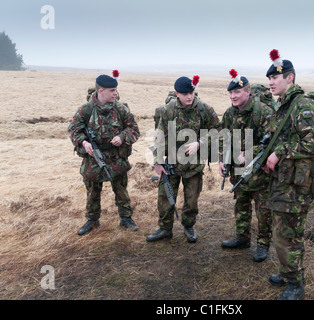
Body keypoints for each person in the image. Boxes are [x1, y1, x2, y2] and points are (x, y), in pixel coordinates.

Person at [263, 50, 314, 299]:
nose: (271, 82)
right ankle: (288, 272)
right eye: (269, 78)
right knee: (280, 230)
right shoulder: (283, 107)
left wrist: (280, 153)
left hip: (296, 187)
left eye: (276, 78)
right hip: (283, 181)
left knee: (288, 234)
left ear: (290, 79)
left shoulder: (303, 106)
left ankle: (295, 284)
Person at [146, 76, 220, 243]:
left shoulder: (204, 109)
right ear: (177, 93)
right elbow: (160, 137)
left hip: (194, 165)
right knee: (165, 197)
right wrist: (158, 162)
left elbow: (217, 130)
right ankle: (165, 228)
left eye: (192, 93)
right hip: (171, 163)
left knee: (192, 199)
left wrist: (200, 143)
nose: (189, 97)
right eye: (185, 94)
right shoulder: (167, 110)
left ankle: (188, 226)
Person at [68, 73, 140, 236]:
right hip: (93, 158)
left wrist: (122, 137)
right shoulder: (85, 110)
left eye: (116, 90)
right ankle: (92, 220)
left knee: (121, 189)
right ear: (101, 91)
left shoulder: (121, 108)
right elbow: (73, 130)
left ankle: (126, 218)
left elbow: (134, 130)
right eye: (112, 90)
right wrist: (84, 143)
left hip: (116, 158)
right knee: (92, 191)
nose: (115, 93)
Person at [219, 69, 274, 262]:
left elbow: (274, 141)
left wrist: (248, 152)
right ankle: (242, 238)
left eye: (237, 92)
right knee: (241, 205)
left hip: (260, 172)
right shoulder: (229, 114)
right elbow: (223, 138)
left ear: (248, 91)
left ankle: (263, 244)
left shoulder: (263, 111)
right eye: (231, 93)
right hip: (238, 171)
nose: (233, 96)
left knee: (263, 209)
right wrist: (221, 159)